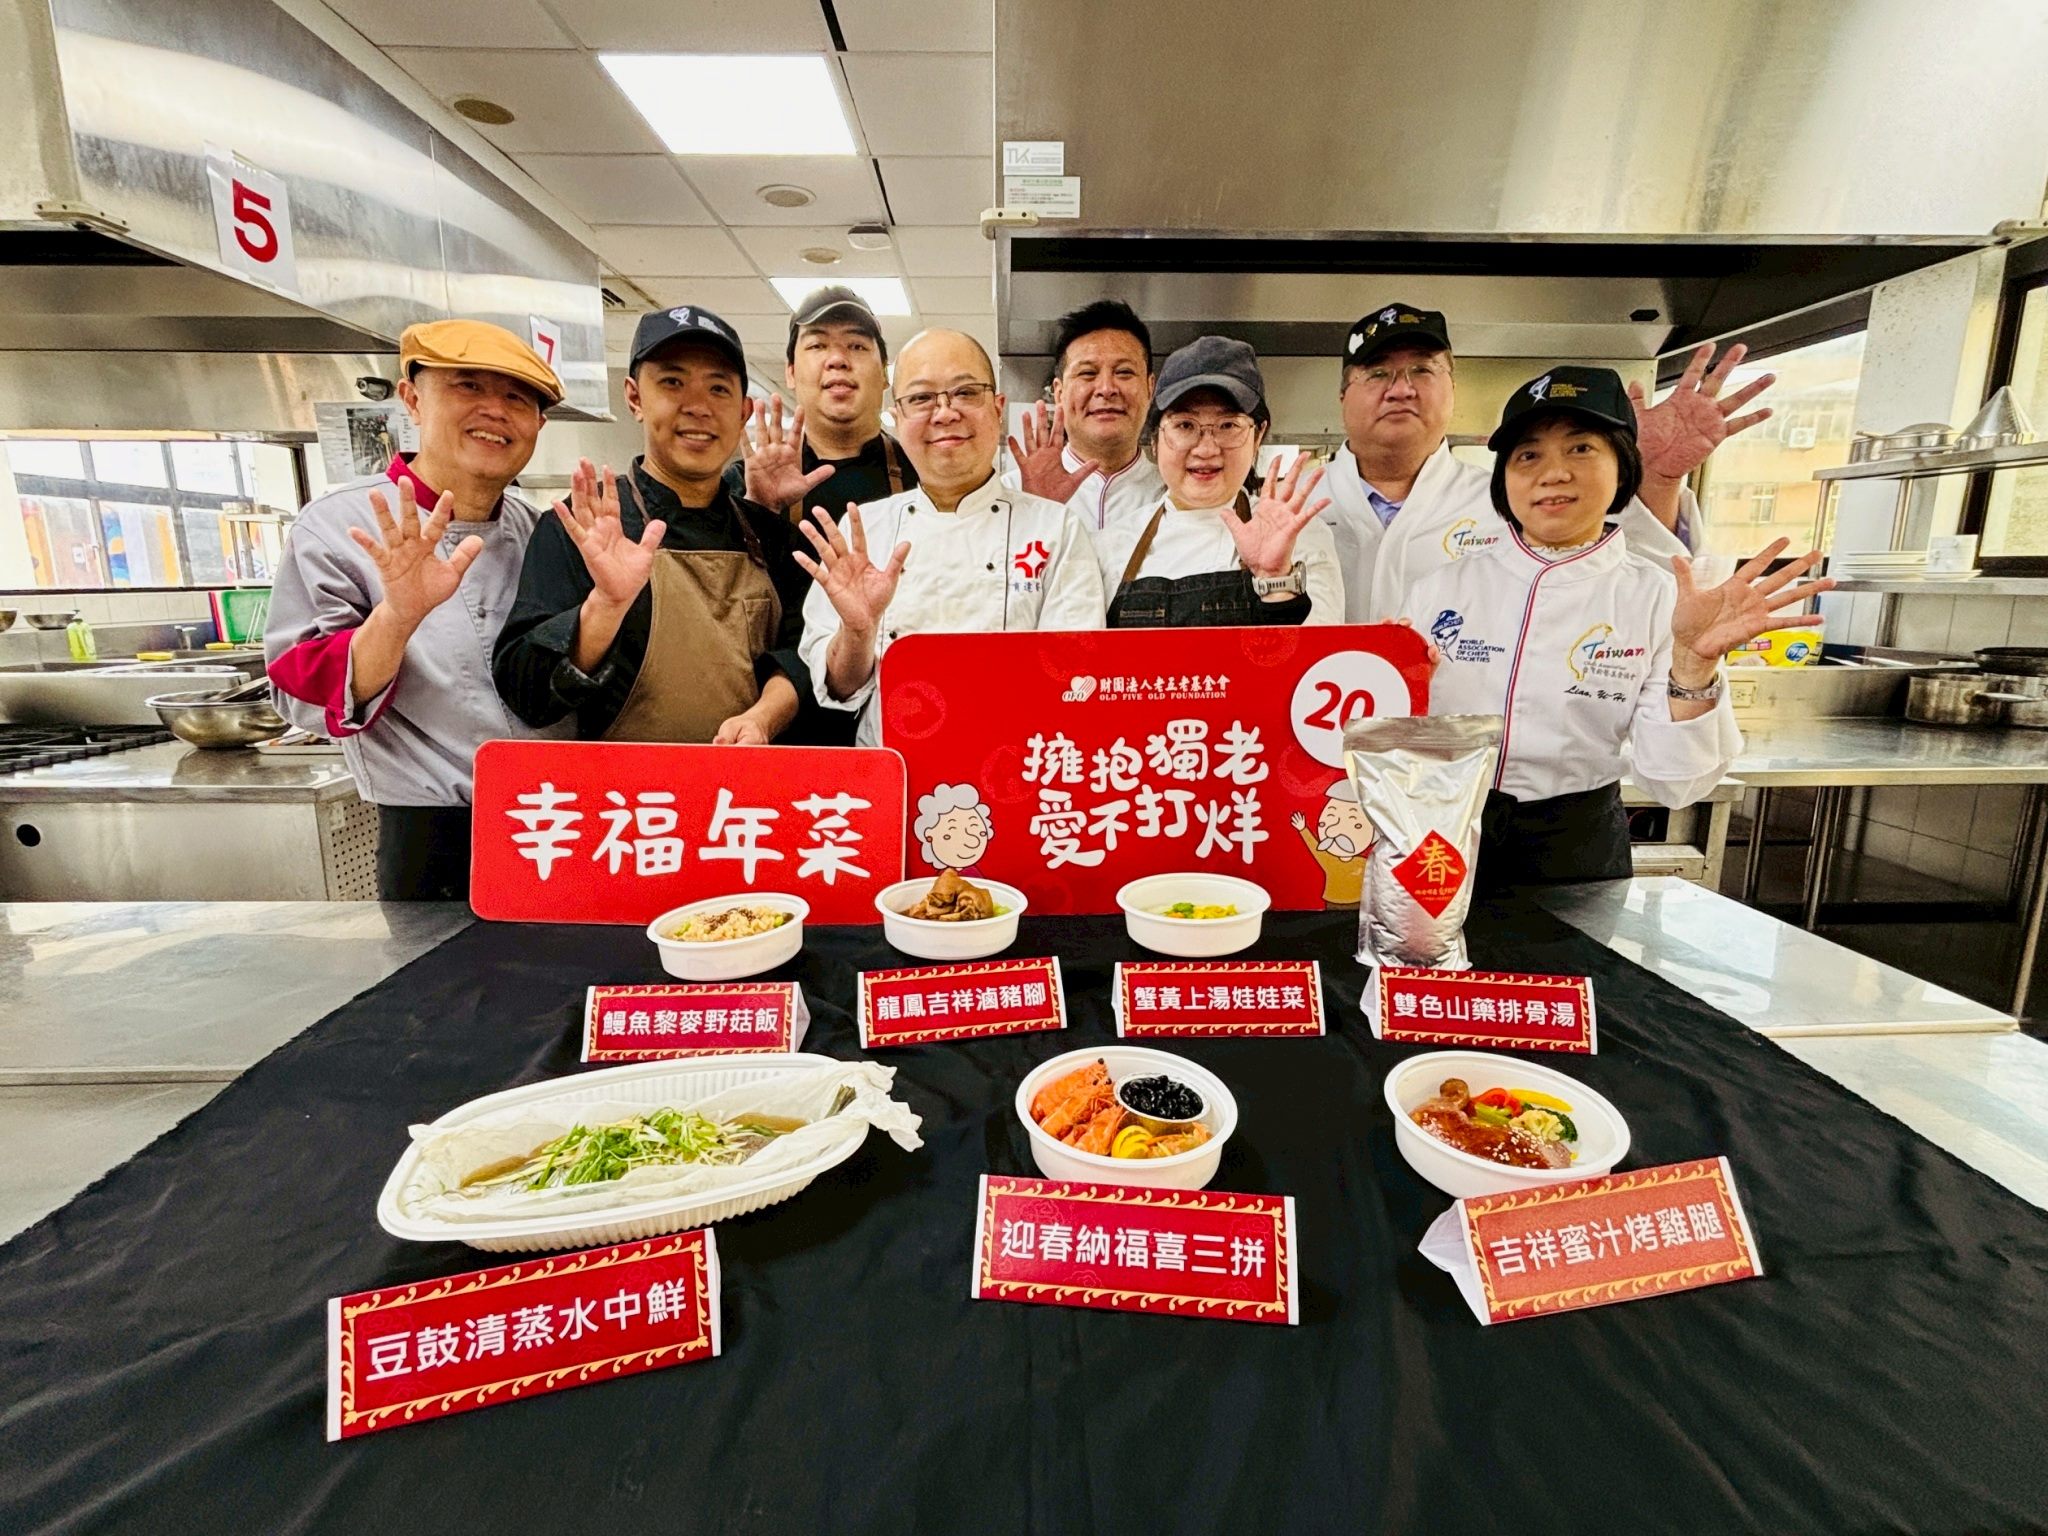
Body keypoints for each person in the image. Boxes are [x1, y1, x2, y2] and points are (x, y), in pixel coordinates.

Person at [1405, 365, 1831, 890]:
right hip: (1441, 828)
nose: (1553, 473)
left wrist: (1694, 666)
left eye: (1581, 449)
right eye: (1528, 455)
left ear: (1623, 469)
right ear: (1504, 479)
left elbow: (1676, 782)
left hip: (1576, 841)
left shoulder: (1657, 596)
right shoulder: (1438, 588)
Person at [266, 319, 565, 901]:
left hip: (563, 823)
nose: (495, 410)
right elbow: (300, 694)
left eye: (516, 398)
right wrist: (397, 616)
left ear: (538, 424)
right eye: (468, 386)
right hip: (435, 839)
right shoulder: (339, 526)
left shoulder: (546, 533)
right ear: (412, 398)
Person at [1322, 303, 1772, 622]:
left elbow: (1631, 596)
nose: (1401, 389)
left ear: (1453, 389)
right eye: (1377, 372)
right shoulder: (1295, 506)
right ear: (1343, 395)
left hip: (1471, 727)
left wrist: (1655, 482)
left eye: (1422, 370)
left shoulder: (1518, 500)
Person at [493, 304, 813, 746]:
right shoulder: (583, 526)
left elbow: (802, 655)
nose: (698, 407)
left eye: (718, 388)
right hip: (622, 789)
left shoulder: (771, 536)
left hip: (748, 784)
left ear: (743, 411)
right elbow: (526, 696)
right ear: (634, 397)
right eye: (672, 383)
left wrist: (762, 718)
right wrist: (605, 606)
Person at [796, 328, 1106, 747]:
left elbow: (1075, 678)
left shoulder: (1056, 529)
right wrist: (858, 632)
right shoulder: (862, 530)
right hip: (895, 770)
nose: (944, 413)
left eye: (965, 392)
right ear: (897, 418)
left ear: (997, 408)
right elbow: (838, 690)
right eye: (921, 398)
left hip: (1016, 766)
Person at [1093, 336, 1344, 628]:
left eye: (1228, 425)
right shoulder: (1110, 547)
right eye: (1185, 425)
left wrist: (1277, 582)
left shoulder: (1299, 536)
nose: (1206, 449)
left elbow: (1318, 652)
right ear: (1154, 439)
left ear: (1257, 436)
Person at [723, 285, 916, 524]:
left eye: (857, 346)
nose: (837, 359)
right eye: (817, 345)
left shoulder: (925, 475)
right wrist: (757, 511)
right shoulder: (742, 485)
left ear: (885, 373)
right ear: (790, 372)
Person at [1009, 299, 1164, 532]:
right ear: (1059, 393)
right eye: (1088, 373)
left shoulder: (1174, 494)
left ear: (1150, 388)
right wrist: (1035, 510)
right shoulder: (1010, 495)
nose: (1106, 389)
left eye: (1124, 372)